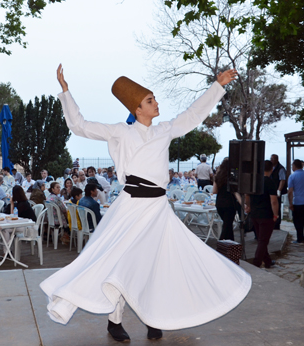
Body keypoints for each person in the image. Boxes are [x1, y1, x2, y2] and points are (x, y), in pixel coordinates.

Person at [40, 65, 249, 343]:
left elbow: (193, 115)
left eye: (155, 99)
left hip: (159, 208)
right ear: (138, 108)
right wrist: (66, 92)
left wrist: (218, 86)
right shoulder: (120, 133)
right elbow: (80, 126)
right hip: (131, 206)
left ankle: (154, 316)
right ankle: (115, 321)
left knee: (158, 262)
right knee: (120, 262)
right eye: (151, 100)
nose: (157, 103)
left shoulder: (164, 130)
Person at [244, 160, 278, 268]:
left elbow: (247, 195)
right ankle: (256, 263)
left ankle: (267, 260)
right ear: (271, 169)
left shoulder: (254, 181)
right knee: (263, 240)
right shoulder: (270, 182)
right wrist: (275, 214)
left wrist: (248, 206)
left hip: (254, 213)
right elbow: (273, 201)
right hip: (266, 214)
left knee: (261, 238)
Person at [287, 159, 304, 244]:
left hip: (298, 201)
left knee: (298, 221)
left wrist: (290, 203)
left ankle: (300, 238)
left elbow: (290, 191)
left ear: (294, 166)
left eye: (292, 165)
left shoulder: (292, 176)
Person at [212, 158, 237, 241]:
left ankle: (231, 244)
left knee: (227, 225)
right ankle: (221, 245)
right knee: (227, 225)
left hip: (219, 203)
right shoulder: (232, 178)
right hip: (230, 203)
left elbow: (214, 191)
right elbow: (235, 192)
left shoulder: (217, 177)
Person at [269, 154, 287, 230]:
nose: (271, 160)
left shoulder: (280, 169)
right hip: (270, 191)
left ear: (276, 159)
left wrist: (279, 190)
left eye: (273, 159)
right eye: (271, 159)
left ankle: (276, 224)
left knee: (276, 207)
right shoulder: (270, 168)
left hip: (276, 191)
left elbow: (282, 180)